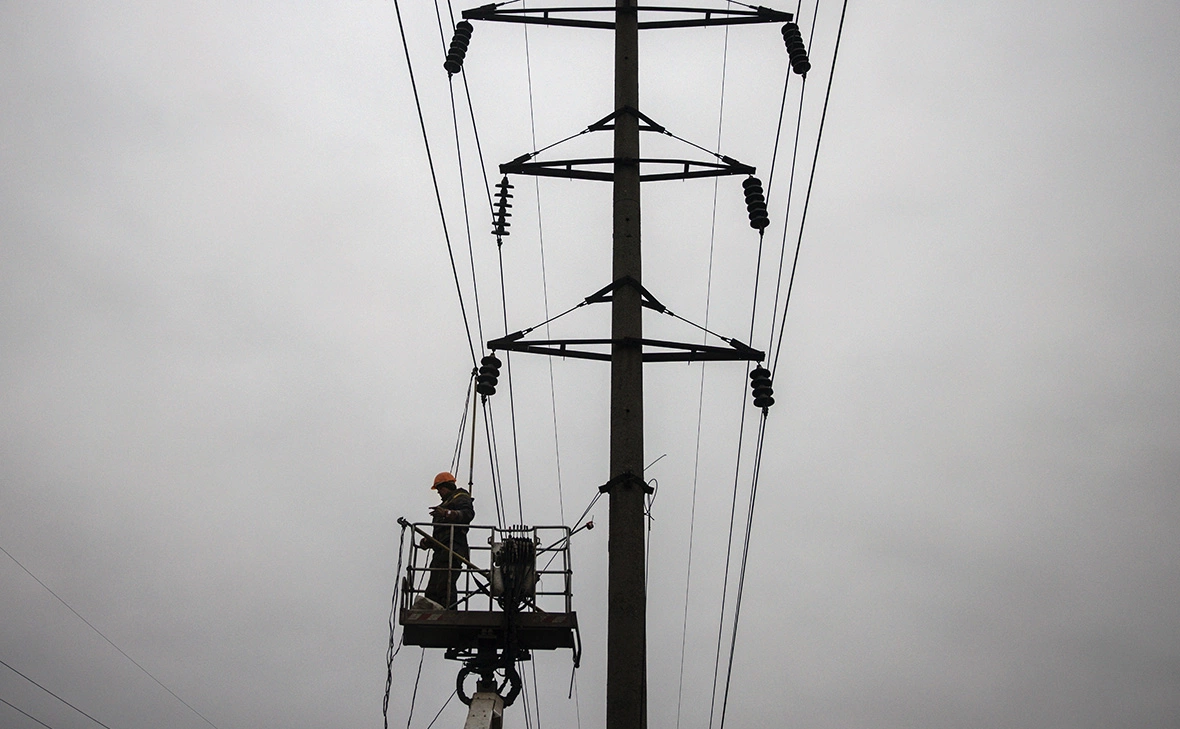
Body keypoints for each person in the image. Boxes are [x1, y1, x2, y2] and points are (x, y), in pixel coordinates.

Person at [420, 471, 475, 609]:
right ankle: (433, 610)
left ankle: (448, 612)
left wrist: (447, 513)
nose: (438, 492)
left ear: (447, 486)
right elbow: (442, 532)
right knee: (432, 588)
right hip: (440, 550)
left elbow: (468, 514)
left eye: (440, 489)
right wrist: (428, 542)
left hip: (453, 548)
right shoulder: (444, 505)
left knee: (446, 585)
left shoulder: (460, 497)